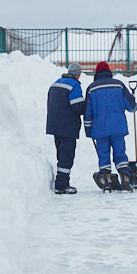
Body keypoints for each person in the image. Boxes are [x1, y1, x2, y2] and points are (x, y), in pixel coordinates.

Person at [83, 61, 137, 187]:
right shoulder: (119, 85)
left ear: (96, 73)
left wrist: (88, 130)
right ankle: (125, 178)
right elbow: (131, 107)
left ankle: (105, 180)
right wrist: (134, 103)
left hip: (99, 129)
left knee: (103, 155)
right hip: (118, 127)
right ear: (109, 72)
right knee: (120, 153)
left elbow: (88, 113)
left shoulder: (92, 88)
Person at [46, 63, 85, 194]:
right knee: (67, 156)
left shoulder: (55, 83)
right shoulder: (74, 85)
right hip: (68, 126)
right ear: (78, 75)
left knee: (61, 155)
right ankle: (62, 185)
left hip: (54, 124)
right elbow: (78, 106)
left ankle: (62, 182)